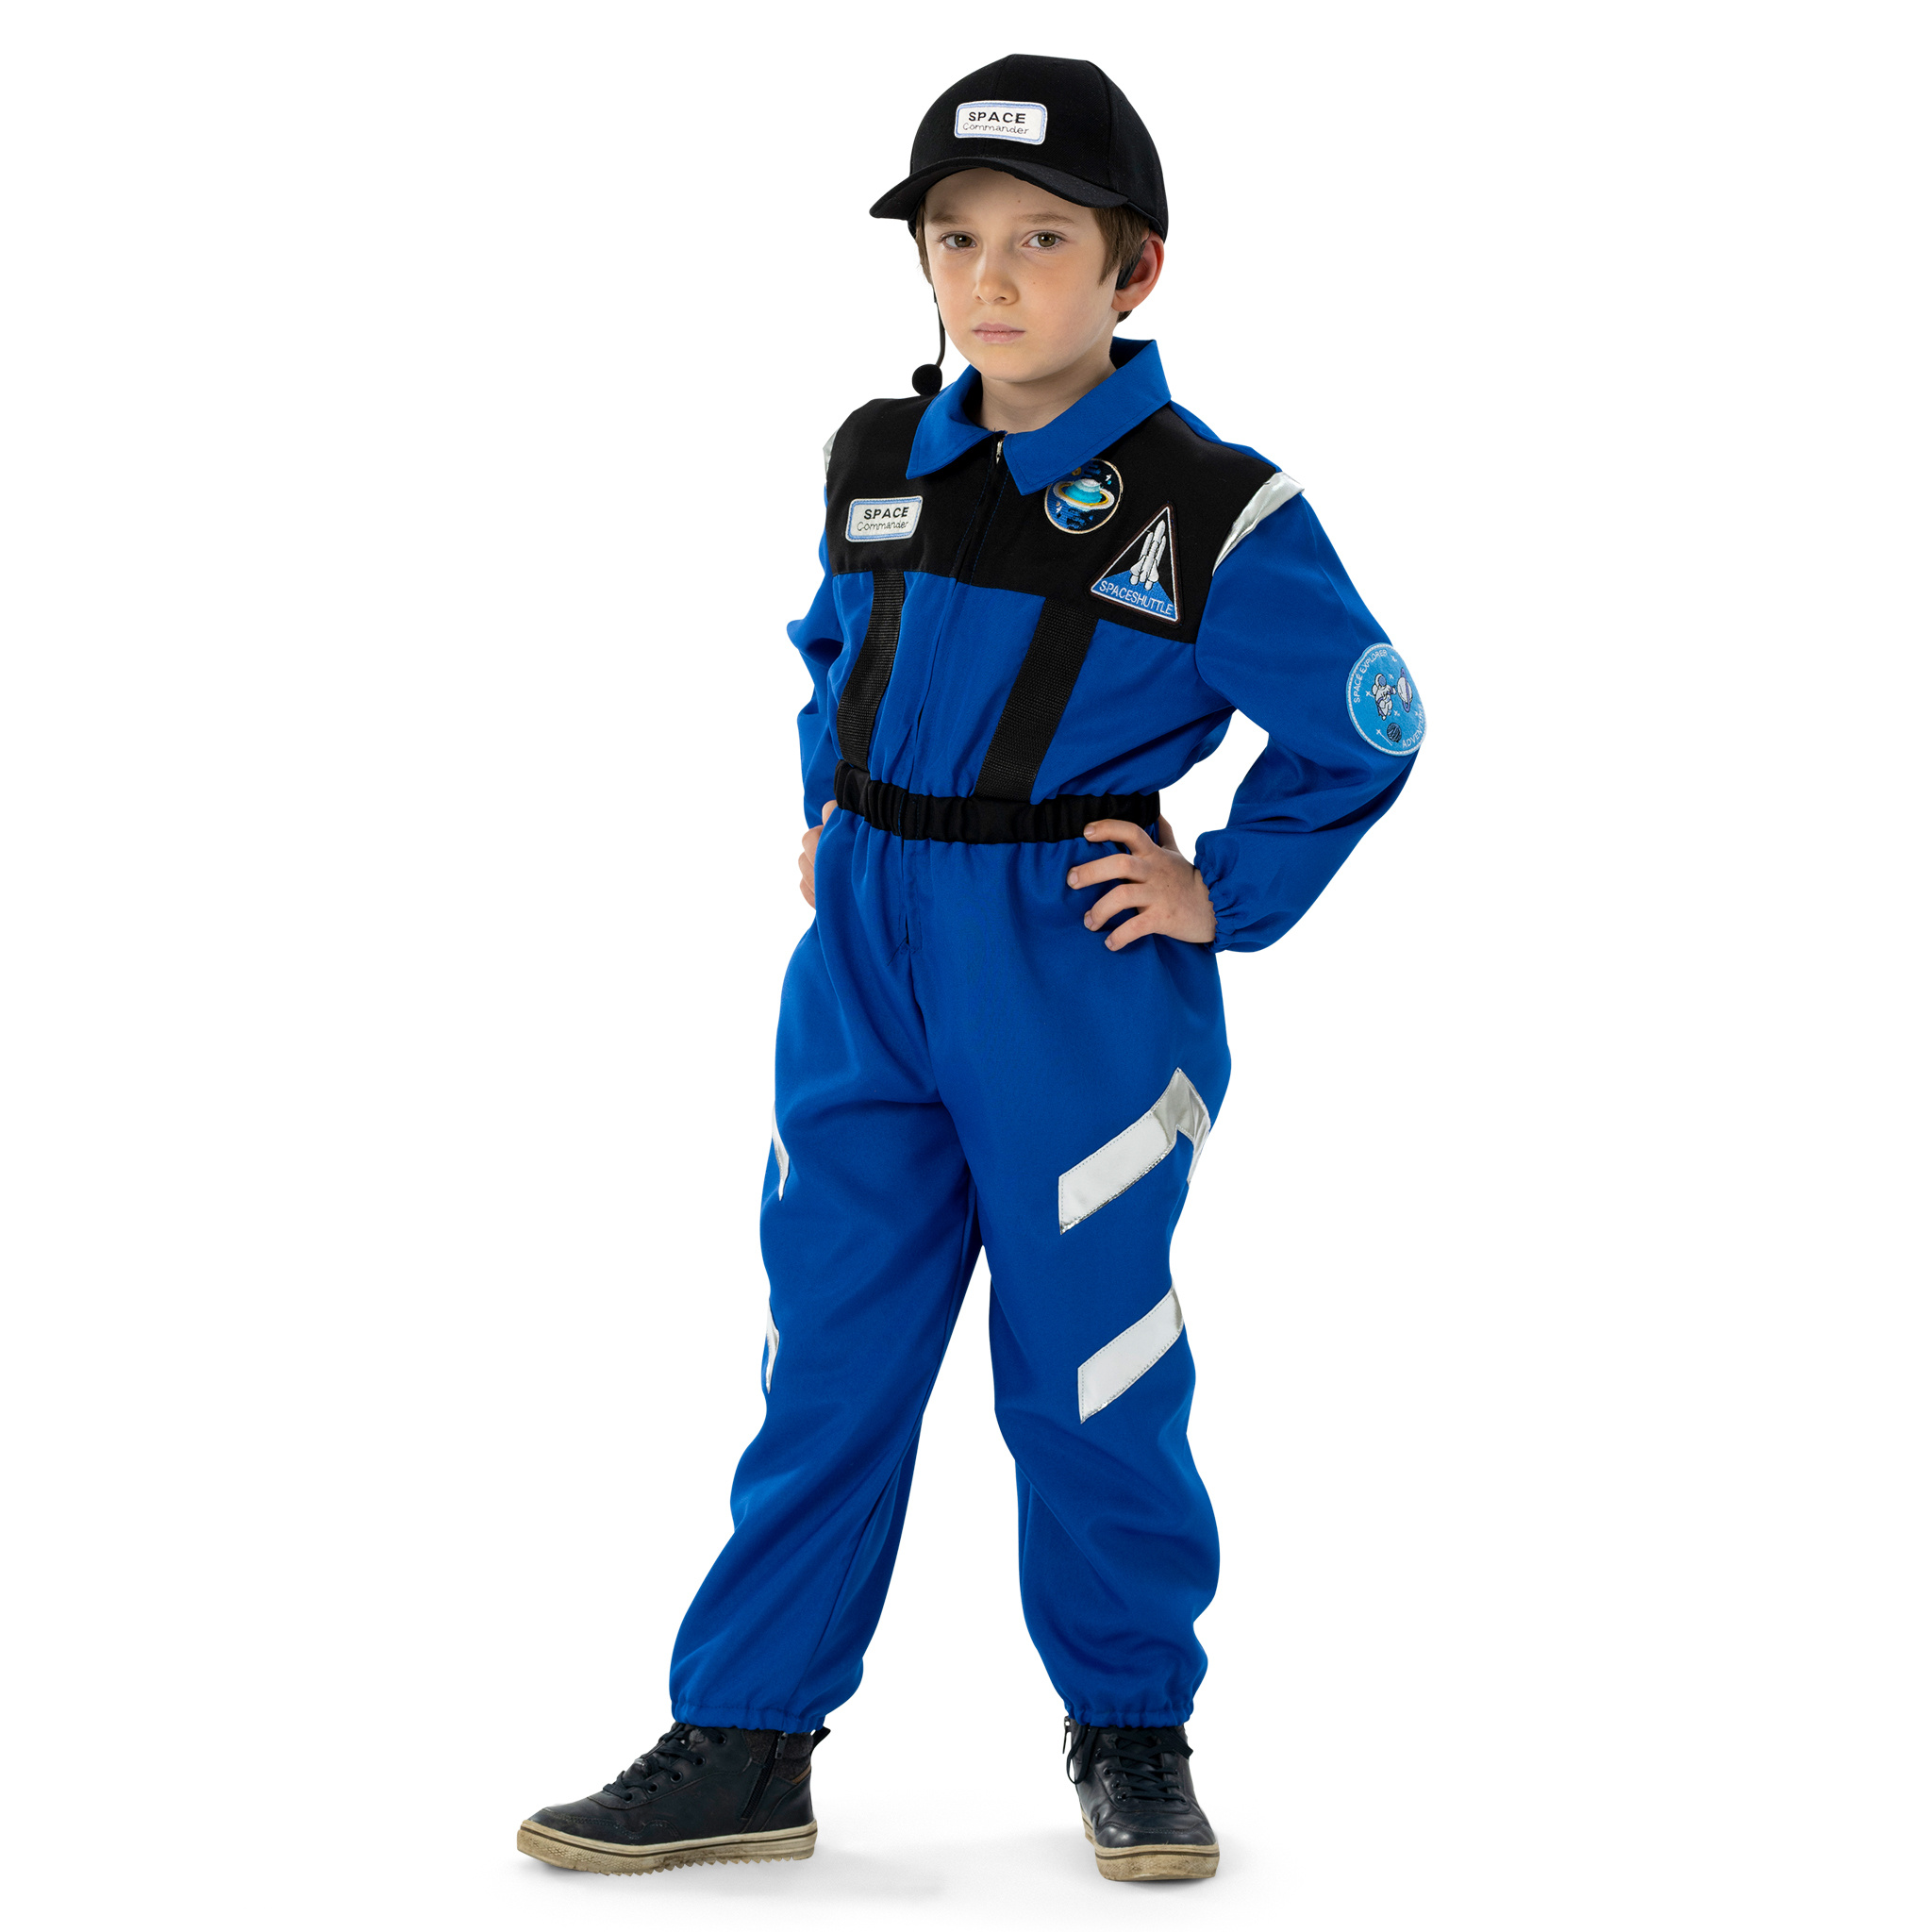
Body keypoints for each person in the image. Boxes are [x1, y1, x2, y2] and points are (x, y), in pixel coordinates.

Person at [518, 51, 1423, 1884]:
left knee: (1089, 1364)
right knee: (828, 1353)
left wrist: (1222, 888)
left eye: (1041, 240)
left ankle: (1133, 1728)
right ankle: (747, 1737)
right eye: (955, 239)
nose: (991, 279)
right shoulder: (878, 457)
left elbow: (1368, 721)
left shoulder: (1210, 507)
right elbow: (830, 644)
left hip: (1066, 969)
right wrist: (831, 800)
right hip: (864, 959)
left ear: (1134, 268)